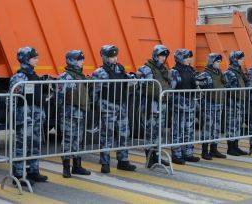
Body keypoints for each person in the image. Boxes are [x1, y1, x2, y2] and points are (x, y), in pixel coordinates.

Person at [92, 45, 137, 174]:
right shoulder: (99, 73)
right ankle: (105, 163)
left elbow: (127, 80)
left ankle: (123, 161)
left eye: (115, 56)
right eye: (111, 56)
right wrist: (98, 107)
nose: (114, 58)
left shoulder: (120, 68)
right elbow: (95, 92)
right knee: (107, 135)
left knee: (124, 133)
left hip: (121, 105)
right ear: (105, 57)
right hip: (107, 106)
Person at [9, 47, 48, 184]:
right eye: (34, 57)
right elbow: (12, 98)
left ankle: (33, 171)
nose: (37, 59)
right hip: (24, 115)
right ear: (26, 59)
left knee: (35, 144)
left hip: (35, 116)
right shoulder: (19, 77)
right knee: (22, 145)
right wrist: (13, 117)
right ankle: (18, 175)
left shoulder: (33, 75)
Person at [57, 50, 91, 178]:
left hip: (80, 112)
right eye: (79, 59)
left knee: (78, 139)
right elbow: (59, 97)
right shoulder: (65, 76)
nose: (82, 61)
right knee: (68, 139)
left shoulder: (80, 75)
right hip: (69, 113)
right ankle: (66, 168)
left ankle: (77, 166)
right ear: (71, 61)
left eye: (82, 59)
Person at [136, 45, 171, 168]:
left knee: (159, 132)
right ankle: (149, 158)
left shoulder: (163, 69)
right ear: (155, 55)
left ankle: (156, 157)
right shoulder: (146, 68)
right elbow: (141, 84)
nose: (163, 58)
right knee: (150, 132)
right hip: (150, 105)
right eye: (161, 55)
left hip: (162, 104)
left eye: (164, 56)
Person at [170, 49, 201, 165]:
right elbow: (171, 89)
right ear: (180, 58)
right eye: (187, 57)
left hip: (190, 102)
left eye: (190, 57)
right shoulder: (174, 71)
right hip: (179, 104)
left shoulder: (191, 70)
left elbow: (195, 84)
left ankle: (188, 153)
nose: (190, 59)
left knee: (189, 129)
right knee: (178, 129)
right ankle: (176, 154)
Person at [196, 53, 227, 160]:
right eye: (217, 61)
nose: (219, 63)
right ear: (211, 62)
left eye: (219, 62)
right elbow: (197, 83)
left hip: (219, 103)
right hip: (209, 103)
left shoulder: (219, 73)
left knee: (217, 127)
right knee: (208, 127)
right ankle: (204, 151)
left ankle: (214, 149)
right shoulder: (205, 74)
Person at [223, 51, 249, 156]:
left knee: (238, 124)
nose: (242, 61)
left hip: (240, 101)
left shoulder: (239, 71)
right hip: (232, 102)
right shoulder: (229, 72)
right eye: (240, 59)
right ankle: (231, 148)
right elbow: (228, 88)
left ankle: (236, 146)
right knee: (232, 124)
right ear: (234, 59)